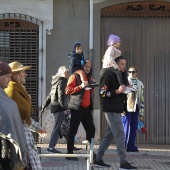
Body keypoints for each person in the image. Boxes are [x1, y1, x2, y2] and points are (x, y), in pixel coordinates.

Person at [94, 56, 137, 170]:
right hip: (111, 109)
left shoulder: (120, 76)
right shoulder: (109, 75)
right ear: (116, 64)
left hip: (116, 109)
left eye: (125, 64)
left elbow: (121, 89)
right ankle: (123, 162)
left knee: (109, 135)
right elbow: (103, 93)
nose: (124, 66)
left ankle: (98, 158)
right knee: (120, 135)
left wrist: (127, 88)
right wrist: (118, 91)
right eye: (122, 64)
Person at [5, 61, 47, 170]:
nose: (26, 74)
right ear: (15, 75)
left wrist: (37, 128)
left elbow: (23, 117)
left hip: (25, 137)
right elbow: (18, 117)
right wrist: (37, 128)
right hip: (20, 139)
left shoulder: (18, 89)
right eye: (23, 71)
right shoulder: (12, 90)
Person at [41, 66, 81, 153]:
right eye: (66, 72)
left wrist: (45, 104)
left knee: (66, 127)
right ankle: (51, 147)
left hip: (56, 107)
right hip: (60, 108)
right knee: (58, 127)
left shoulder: (55, 81)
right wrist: (64, 108)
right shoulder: (62, 81)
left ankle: (71, 145)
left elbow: (50, 95)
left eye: (68, 72)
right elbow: (61, 95)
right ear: (61, 73)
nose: (67, 74)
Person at [65, 59, 95, 161]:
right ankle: (69, 154)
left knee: (91, 130)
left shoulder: (89, 77)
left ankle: (89, 153)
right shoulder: (74, 76)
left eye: (89, 67)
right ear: (81, 67)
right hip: (77, 108)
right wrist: (81, 86)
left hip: (87, 109)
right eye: (86, 66)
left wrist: (94, 86)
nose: (87, 68)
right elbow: (68, 91)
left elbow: (89, 92)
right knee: (73, 130)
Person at [0, 61, 27, 170]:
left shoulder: (4, 95)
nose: (9, 80)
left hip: (7, 148)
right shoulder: (10, 92)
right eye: (7, 77)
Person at [122, 66, 144, 152]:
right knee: (125, 127)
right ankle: (123, 146)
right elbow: (123, 96)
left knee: (134, 127)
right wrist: (122, 109)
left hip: (136, 108)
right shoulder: (125, 81)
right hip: (127, 108)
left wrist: (142, 111)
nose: (131, 73)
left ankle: (131, 146)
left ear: (136, 73)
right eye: (130, 72)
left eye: (133, 72)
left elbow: (142, 98)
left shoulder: (140, 83)